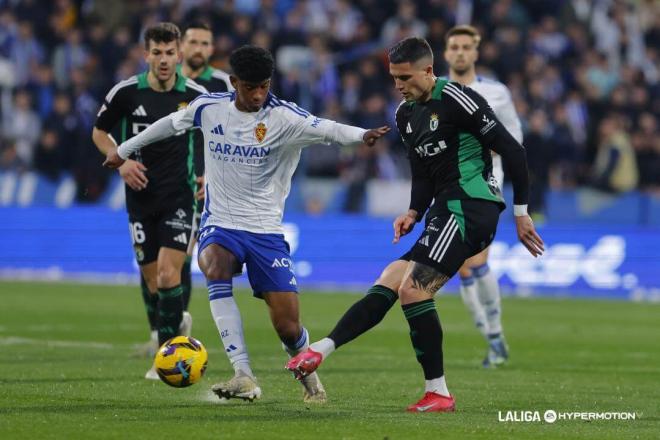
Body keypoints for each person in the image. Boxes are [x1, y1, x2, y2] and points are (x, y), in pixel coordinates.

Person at [103, 45, 389, 403]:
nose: (258, 94)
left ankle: (309, 377)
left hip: (266, 229)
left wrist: (361, 135)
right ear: (234, 82)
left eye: (264, 86)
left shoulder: (284, 117)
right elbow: (169, 125)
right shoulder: (209, 108)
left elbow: (328, 128)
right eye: (251, 87)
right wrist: (125, 149)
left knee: (287, 326)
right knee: (213, 263)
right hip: (220, 221)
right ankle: (243, 374)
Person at [286, 37, 544, 413]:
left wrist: (521, 213)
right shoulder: (406, 115)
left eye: (405, 76)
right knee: (392, 277)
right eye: (394, 77)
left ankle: (438, 393)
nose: (398, 84)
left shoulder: (458, 99)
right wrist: (412, 212)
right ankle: (320, 350)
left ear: (428, 70)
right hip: (444, 209)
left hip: (472, 207)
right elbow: (423, 174)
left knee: (414, 290)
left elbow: (515, 152)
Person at [92, 22, 207, 379]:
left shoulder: (195, 94)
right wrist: (122, 163)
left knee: (171, 273)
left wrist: (206, 174)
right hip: (139, 198)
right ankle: (174, 323)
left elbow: (210, 135)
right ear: (146, 55)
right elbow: (99, 131)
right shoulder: (126, 93)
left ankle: (166, 357)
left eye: (170, 53)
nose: (163, 59)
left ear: (179, 54)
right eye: (156, 53)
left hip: (179, 196)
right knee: (154, 281)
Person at [443, 24, 524, 367]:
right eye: (454, 47)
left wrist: (494, 148)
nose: (460, 52)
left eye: (466, 47)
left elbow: (515, 138)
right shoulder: (437, 92)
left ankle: (495, 335)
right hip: (447, 183)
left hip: (486, 184)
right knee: (462, 268)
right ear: (446, 53)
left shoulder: (497, 93)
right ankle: (492, 335)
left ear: (476, 53)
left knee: (477, 261)